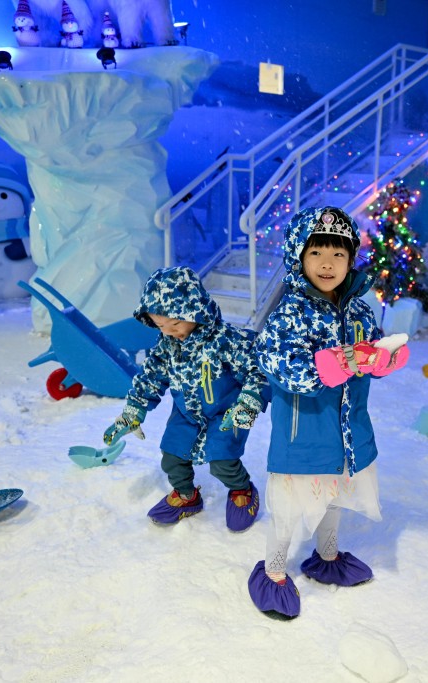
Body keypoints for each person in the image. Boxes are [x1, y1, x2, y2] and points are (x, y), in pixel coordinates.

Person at [247, 206, 409, 619]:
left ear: (351, 260)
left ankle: (327, 556)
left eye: (338, 254)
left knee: (333, 496)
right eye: (317, 252)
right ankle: (274, 571)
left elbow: (371, 350)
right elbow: (283, 367)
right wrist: (344, 362)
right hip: (304, 436)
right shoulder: (289, 313)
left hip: (348, 433)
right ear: (299, 258)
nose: (327, 263)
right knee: (289, 510)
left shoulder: (358, 310)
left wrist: (384, 357)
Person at [103, 266, 267, 531]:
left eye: (176, 323)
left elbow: (257, 370)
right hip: (186, 414)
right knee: (171, 457)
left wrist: (247, 402)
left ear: (195, 311)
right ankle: (187, 496)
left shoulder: (225, 341)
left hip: (225, 414)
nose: (170, 332)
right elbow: (150, 378)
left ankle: (242, 489)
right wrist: (132, 412)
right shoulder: (166, 346)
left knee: (222, 461)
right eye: (160, 326)